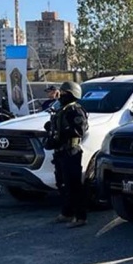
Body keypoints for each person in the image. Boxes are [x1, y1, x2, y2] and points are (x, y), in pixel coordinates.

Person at [45, 81, 89, 228]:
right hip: (60, 151)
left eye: (64, 93)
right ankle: (67, 213)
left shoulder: (76, 110)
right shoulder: (62, 109)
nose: (61, 95)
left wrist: (62, 134)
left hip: (71, 151)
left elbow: (79, 130)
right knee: (62, 184)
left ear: (72, 95)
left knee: (73, 185)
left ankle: (80, 217)